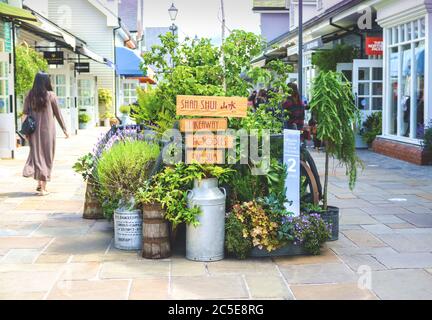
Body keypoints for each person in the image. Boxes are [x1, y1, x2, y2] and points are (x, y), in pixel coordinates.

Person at [22, 72, 69, 196]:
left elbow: (24, 114)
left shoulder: (29, 95)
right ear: (46, 82)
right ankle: (43, 188)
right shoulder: (51, 96)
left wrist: (25, 131)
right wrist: (64, 129)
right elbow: (58, 114)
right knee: (47, 156)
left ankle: (39, 183)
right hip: (48, 132)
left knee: (37, 155)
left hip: (33, 131)